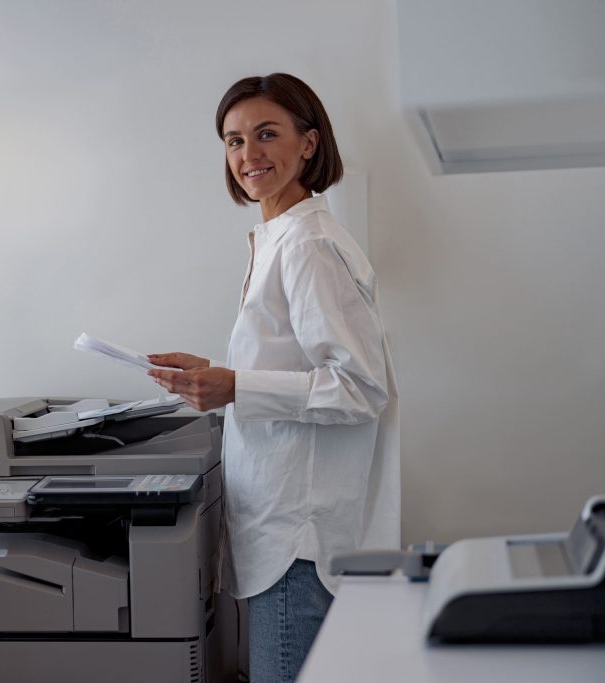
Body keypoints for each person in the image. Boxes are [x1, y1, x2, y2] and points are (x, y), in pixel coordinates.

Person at [147, 73, 399, 683]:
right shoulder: (279, 237)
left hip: (297, 539)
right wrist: (218, 377)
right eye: (234, 141)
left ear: (308, 143)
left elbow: (361, 386)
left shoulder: (308, 244)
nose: (248, 156)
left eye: (266, 135)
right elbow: (293, 366)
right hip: (279, 527)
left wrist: (236, 386)